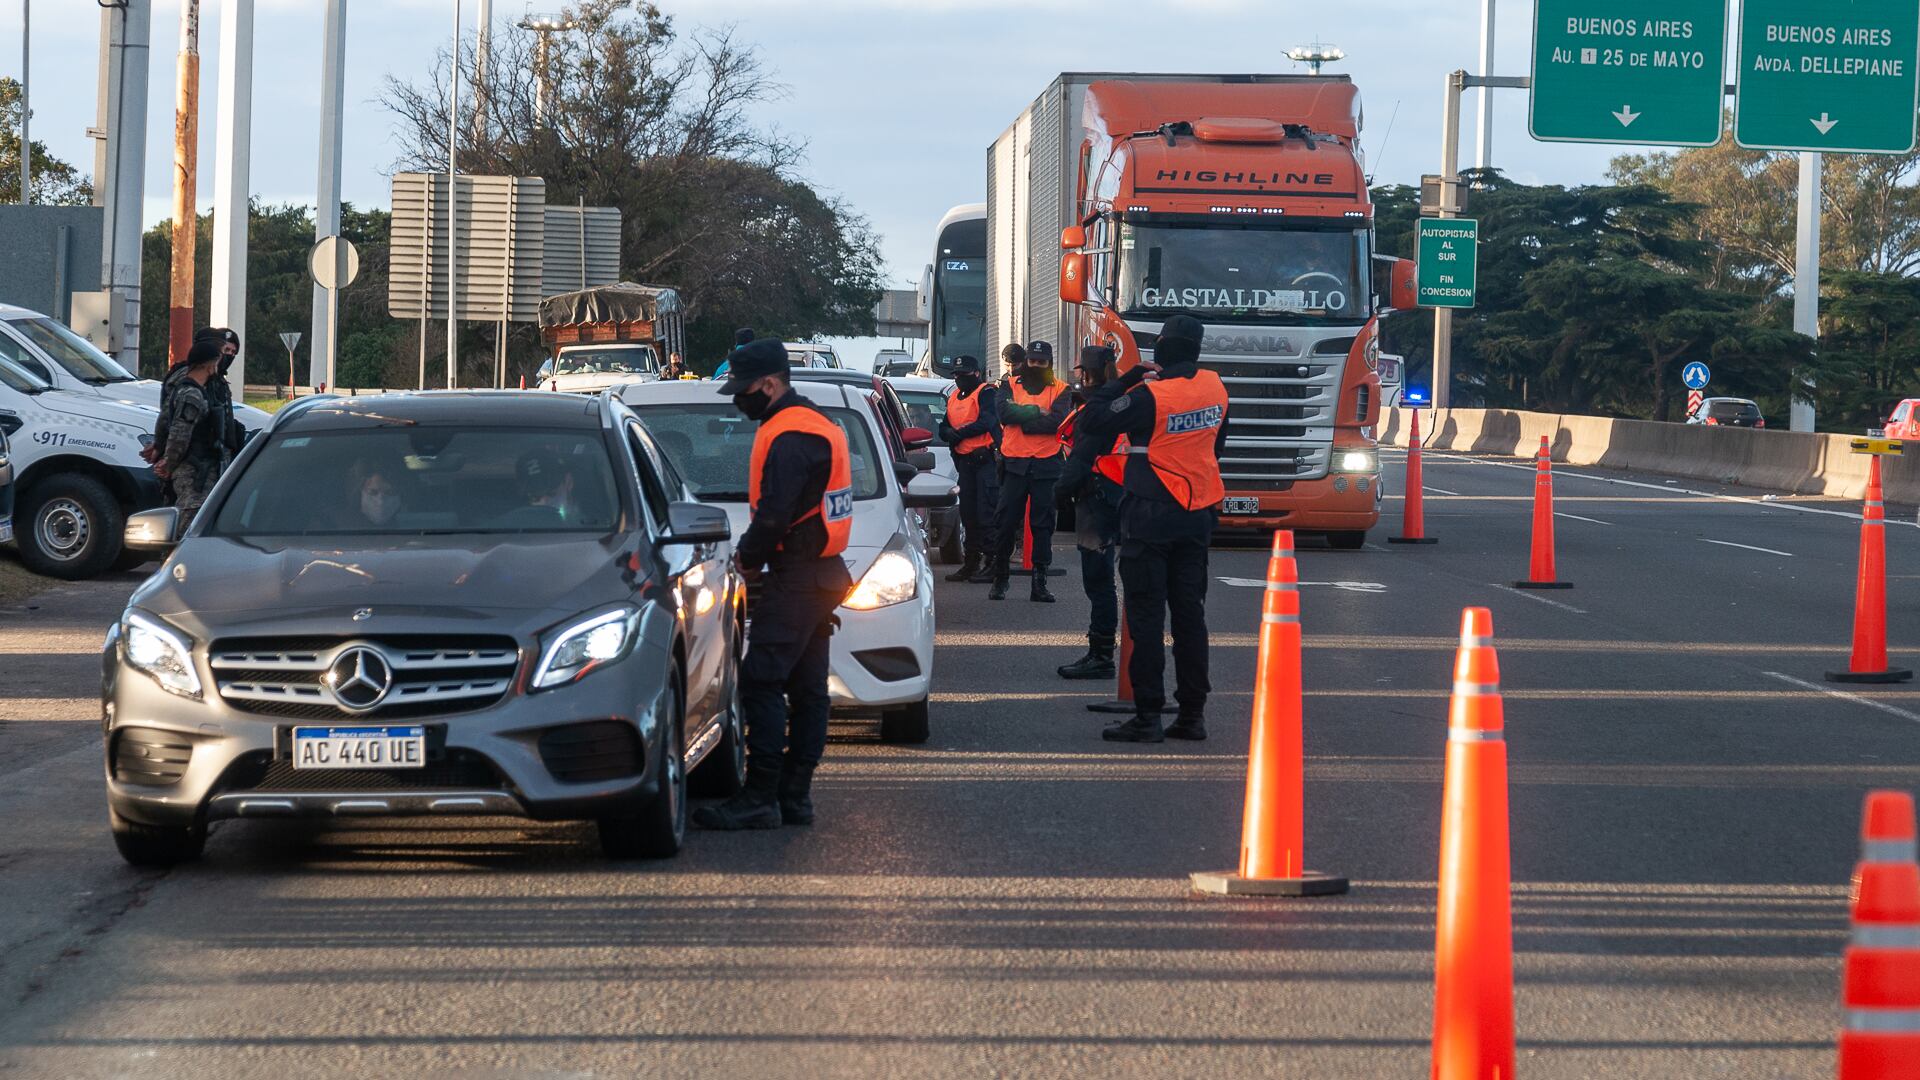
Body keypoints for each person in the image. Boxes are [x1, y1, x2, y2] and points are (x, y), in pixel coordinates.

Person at [694, 337, 854, 830]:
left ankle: (761, 796)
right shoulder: (818, 422)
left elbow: (773, 516)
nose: (739, 401)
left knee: (761, 681)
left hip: (799, 575)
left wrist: (746, 559)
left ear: (768, 383)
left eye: (744, 390)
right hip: (823, 573)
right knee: (808, 688)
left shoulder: (789, 435)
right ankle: (794, 798)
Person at [1078, 315, 1230, 743]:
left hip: (1150, 513)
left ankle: (1147, 717)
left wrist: (1126, 378)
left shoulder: (1151, 395)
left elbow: (1092, 420)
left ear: (1162, 346)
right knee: (1190, 616)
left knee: (1146, 617)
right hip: (1196, 512)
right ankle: (1192, 715)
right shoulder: (1215, 388)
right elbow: (1217, 446)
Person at [1055, 345, 1126, 680]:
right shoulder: (1123, 403)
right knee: (1106, 580)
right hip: (1118, 494)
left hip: (1096, 499)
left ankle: (1101, 654)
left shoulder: (1094, 410)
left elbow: (1081, 459)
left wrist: (1058, 495)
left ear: (1086, 374)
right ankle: (1103, 652)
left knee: (1098, 582)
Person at [987, 340, 1071, 602]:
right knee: (1005, 523)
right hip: (1014, 464)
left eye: (1041, 362)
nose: (1035, 365)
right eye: (1032, 361)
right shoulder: (1009, 384)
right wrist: (1036, 411)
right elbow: (1004, 413)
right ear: (1026, 362)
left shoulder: (1062, 389)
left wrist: (1025, 424)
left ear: (1049, 363)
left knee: (1043, 526)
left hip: (1047, 465)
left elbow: (1058, 422)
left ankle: (1039, 582)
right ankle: (1000, 579)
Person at [935, 354, 1000, 583]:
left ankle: (991, 563)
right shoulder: (954, 397)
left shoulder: (986, 393)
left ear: (976, 373)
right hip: (965, 464)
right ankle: (971, 562)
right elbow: (943, 427)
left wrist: (958, 434)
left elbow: (987, 422)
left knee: (986, 513)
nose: (959, 378)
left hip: (984, 462)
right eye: (956, 375)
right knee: (968, 514)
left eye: (964, 374)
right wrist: (949, 433)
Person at [153, 340, 232, 516]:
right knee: (192, 515)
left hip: (197, 466)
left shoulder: (185, 389)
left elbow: (164, 421)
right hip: (194, 471)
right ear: (209, 365)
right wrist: (169, 463)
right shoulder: (192, 395)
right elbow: (179, 434)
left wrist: (161, 451)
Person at [514, 450, 577, 521]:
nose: (545, 502)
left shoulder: (585, 522)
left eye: (552, 494)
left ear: (568, 482)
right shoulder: (516, 523)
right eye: (536, 498)